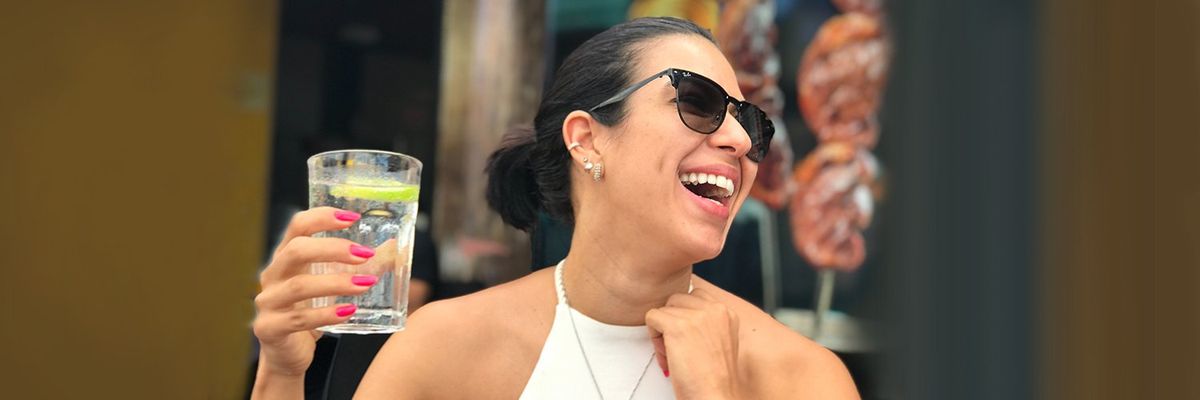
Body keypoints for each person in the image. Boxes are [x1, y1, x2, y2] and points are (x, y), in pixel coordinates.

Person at [251, 17, 858, 399]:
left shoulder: (797, 378)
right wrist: (280, 373)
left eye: (749, 120)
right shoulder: (447, 347)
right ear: (587, 139)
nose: (740, 139)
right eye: (698, 102)